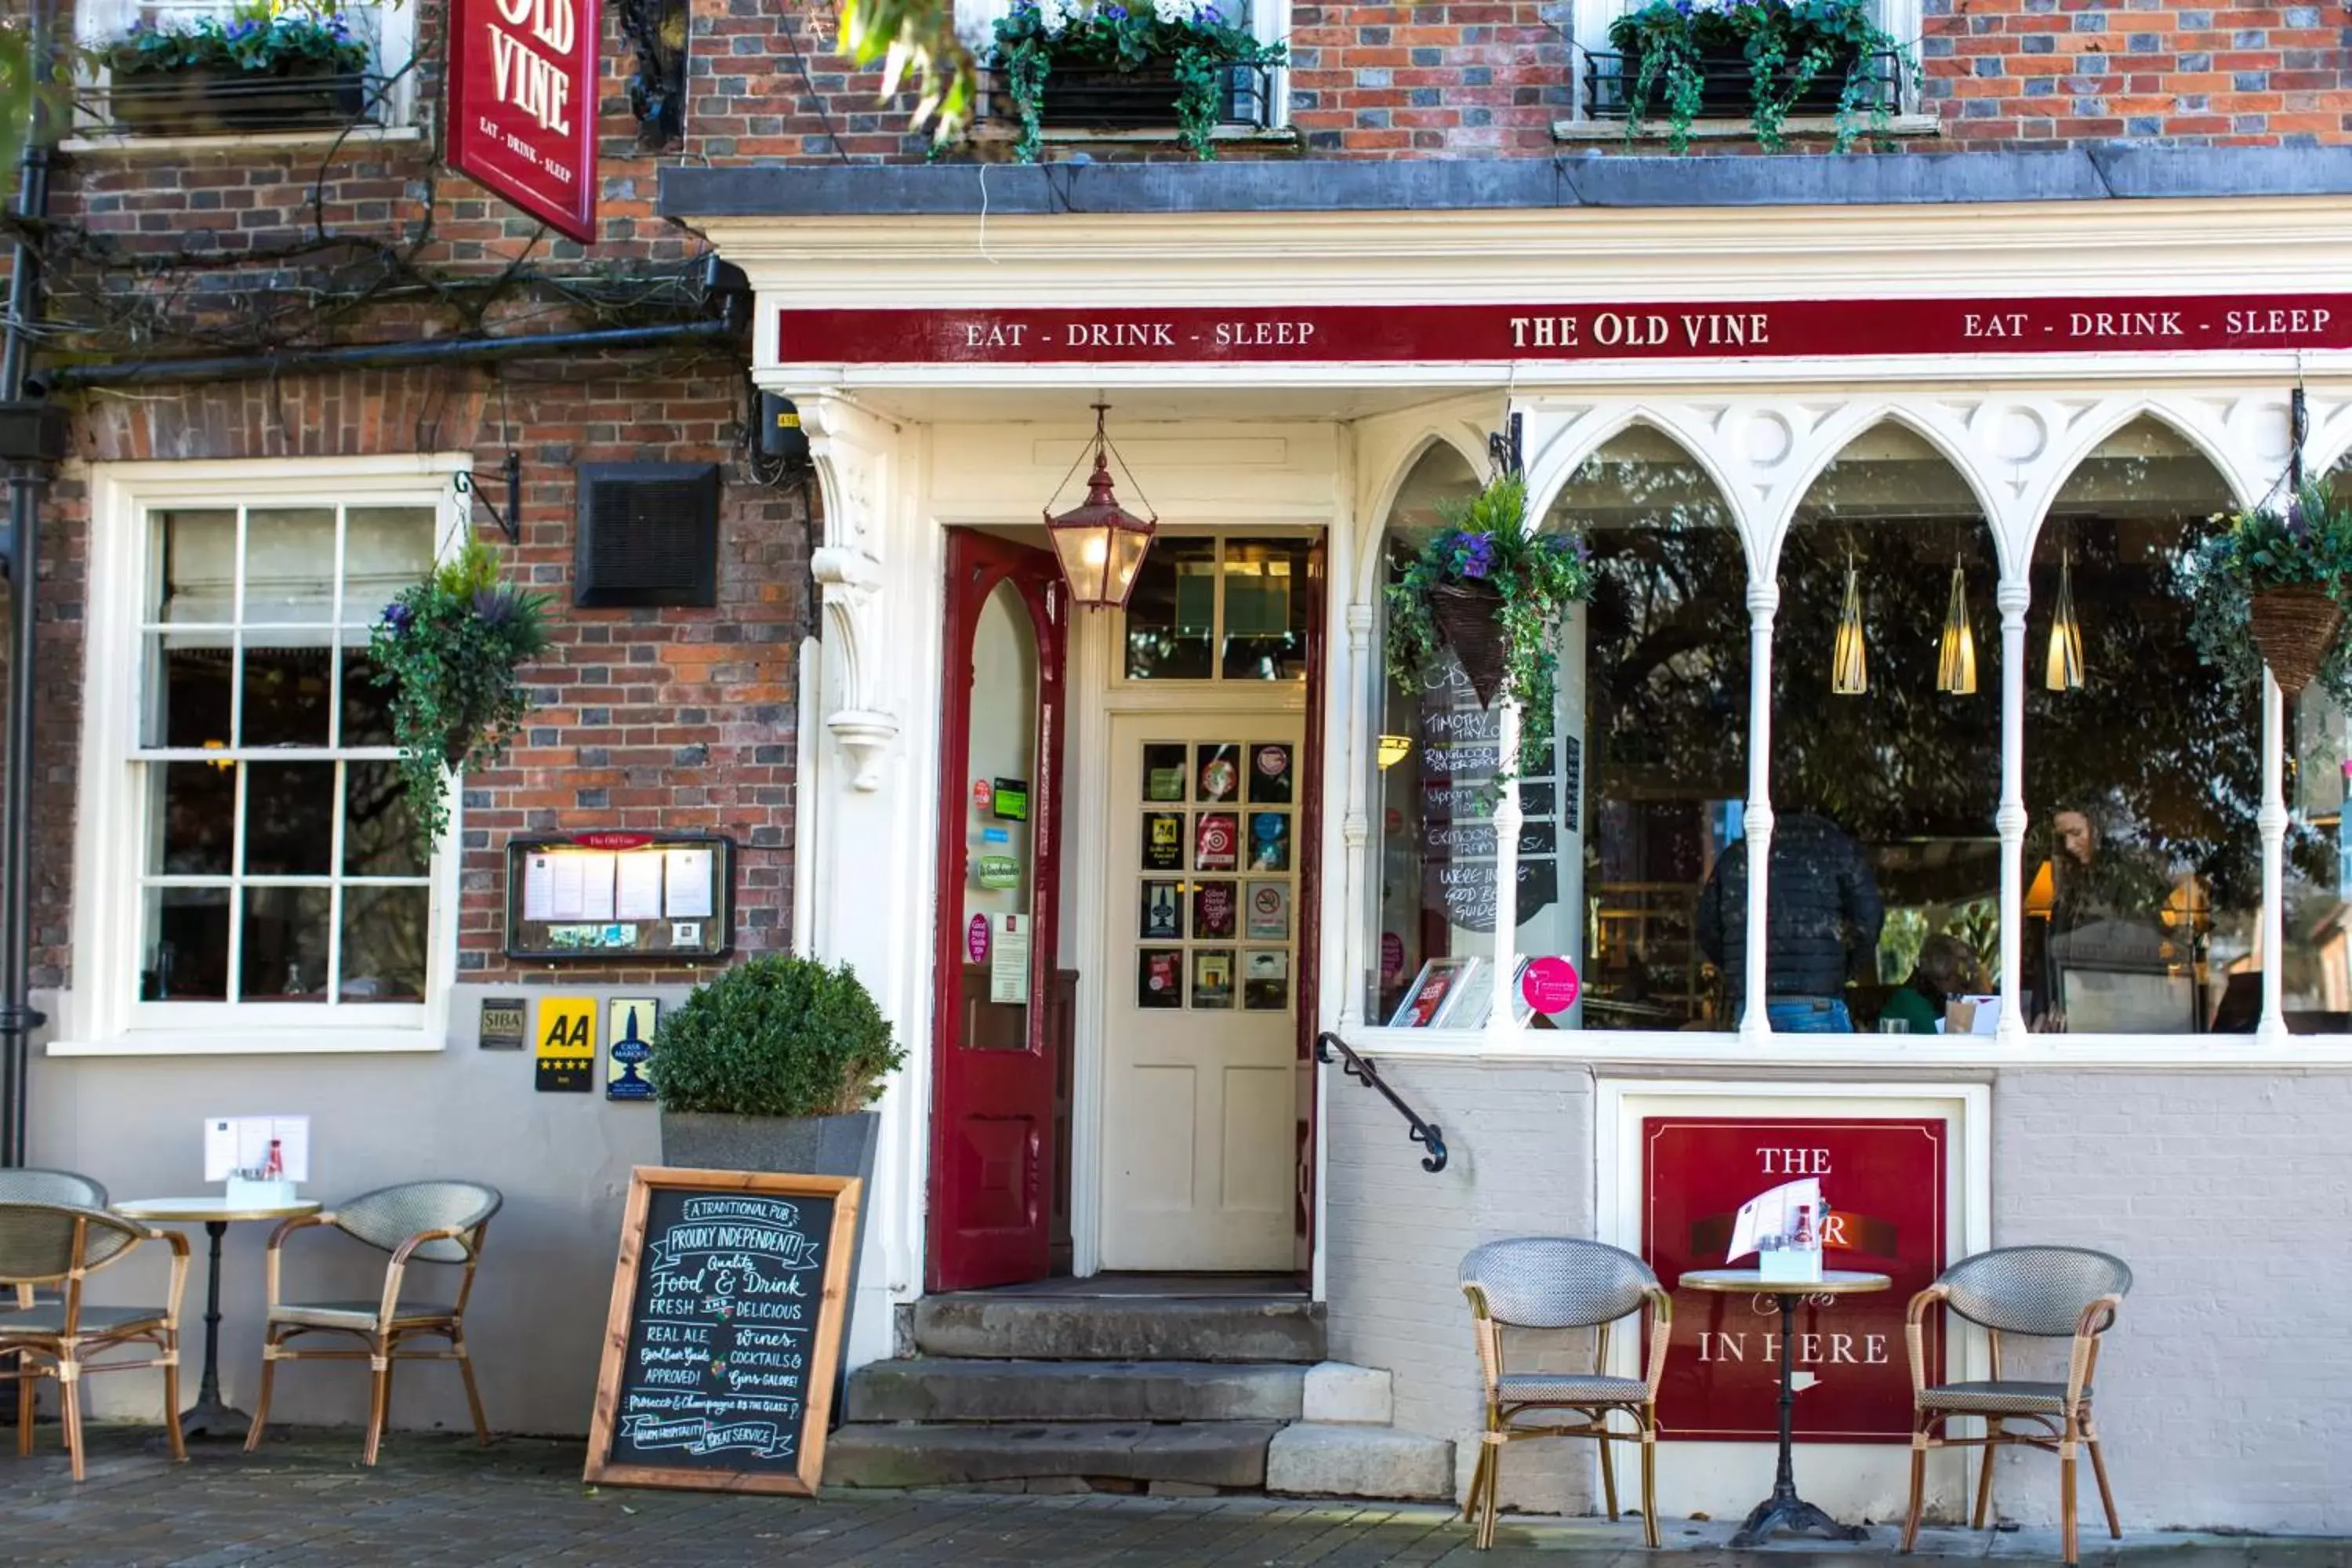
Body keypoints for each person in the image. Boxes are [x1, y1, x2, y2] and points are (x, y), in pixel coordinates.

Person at [1694, 808, 1885, 1033]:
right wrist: (1843, 970)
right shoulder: (1836, 848)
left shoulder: (1738, 854)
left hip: (1753, 1006)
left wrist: (1741, 968)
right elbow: (1868, 919)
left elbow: (1707, 927)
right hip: (1818, 1003)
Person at [1878, 933, 1987, 1034]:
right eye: (1957, 976)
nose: (1963, 985)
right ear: (1942, 971)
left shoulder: (1941, 998)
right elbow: (1944, 1038)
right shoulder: (1907, 1000)